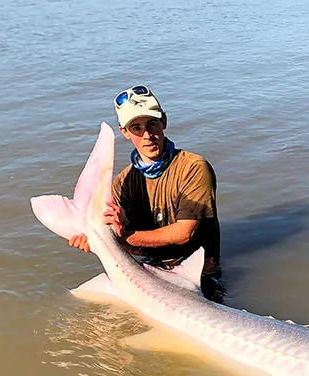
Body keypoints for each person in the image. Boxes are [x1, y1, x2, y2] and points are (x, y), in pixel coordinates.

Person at [68, 85, 225, 302]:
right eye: (136, 128)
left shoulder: (193, 167)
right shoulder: (123, 183)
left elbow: (184, 233)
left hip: (199, 277)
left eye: (152, 124)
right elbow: (126, 243)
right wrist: (96, 242)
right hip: (151, 271)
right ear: (124, 132)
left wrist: (123, 237)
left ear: (164, 122)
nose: (147, 135)